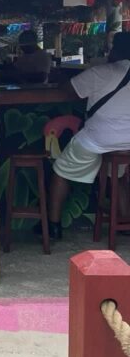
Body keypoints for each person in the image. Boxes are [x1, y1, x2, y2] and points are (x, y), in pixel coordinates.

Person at [47, 31, 130, 239]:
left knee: (61, 172)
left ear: (116, 50)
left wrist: (60, 78)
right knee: (117, 178)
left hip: (98, 139)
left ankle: (53, 226)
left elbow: (68, 91)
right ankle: (125, 224)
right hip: (127, 144)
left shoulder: (102, 72)